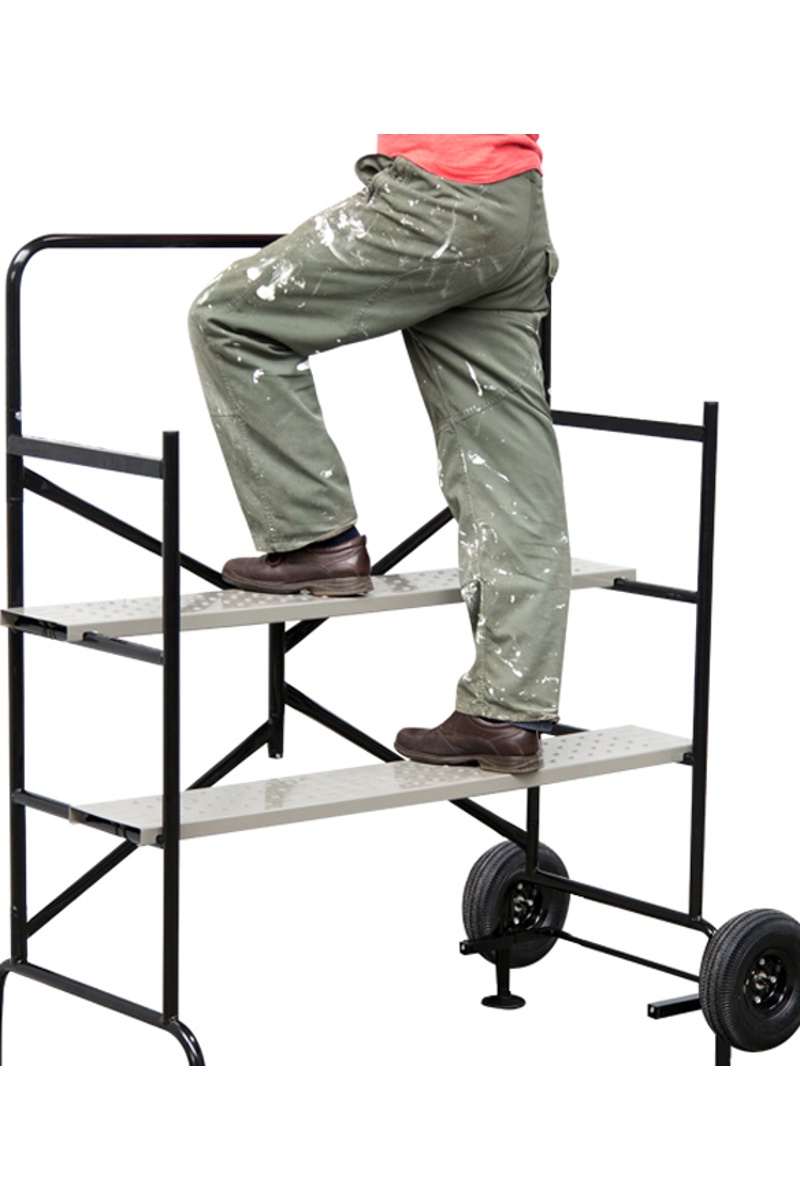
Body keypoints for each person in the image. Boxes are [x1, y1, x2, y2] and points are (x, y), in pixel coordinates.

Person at [188, 135, 570, 774]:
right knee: (506, 461)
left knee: (228, 320)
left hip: (440, 201)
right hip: (516, 209)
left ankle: (318, 540)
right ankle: (507, 715)